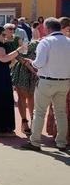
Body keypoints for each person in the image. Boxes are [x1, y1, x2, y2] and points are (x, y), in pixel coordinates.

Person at [20, 18, 70, 151]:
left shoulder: (46, 42)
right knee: (61, 112)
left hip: (47, 81)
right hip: (64, 81)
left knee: (39, 112)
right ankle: (61, 142)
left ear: (47, 28)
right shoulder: (69, 42)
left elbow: (39, 63)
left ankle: (35, 142)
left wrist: (31, 62)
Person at [11, 36, 39, 135]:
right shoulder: (34, 43)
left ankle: (33, 122)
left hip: (35, 72)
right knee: (22, 97)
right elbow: (18, 54)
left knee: (31, 97)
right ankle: (24, 122)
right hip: (23, 71)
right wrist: (27, 64)